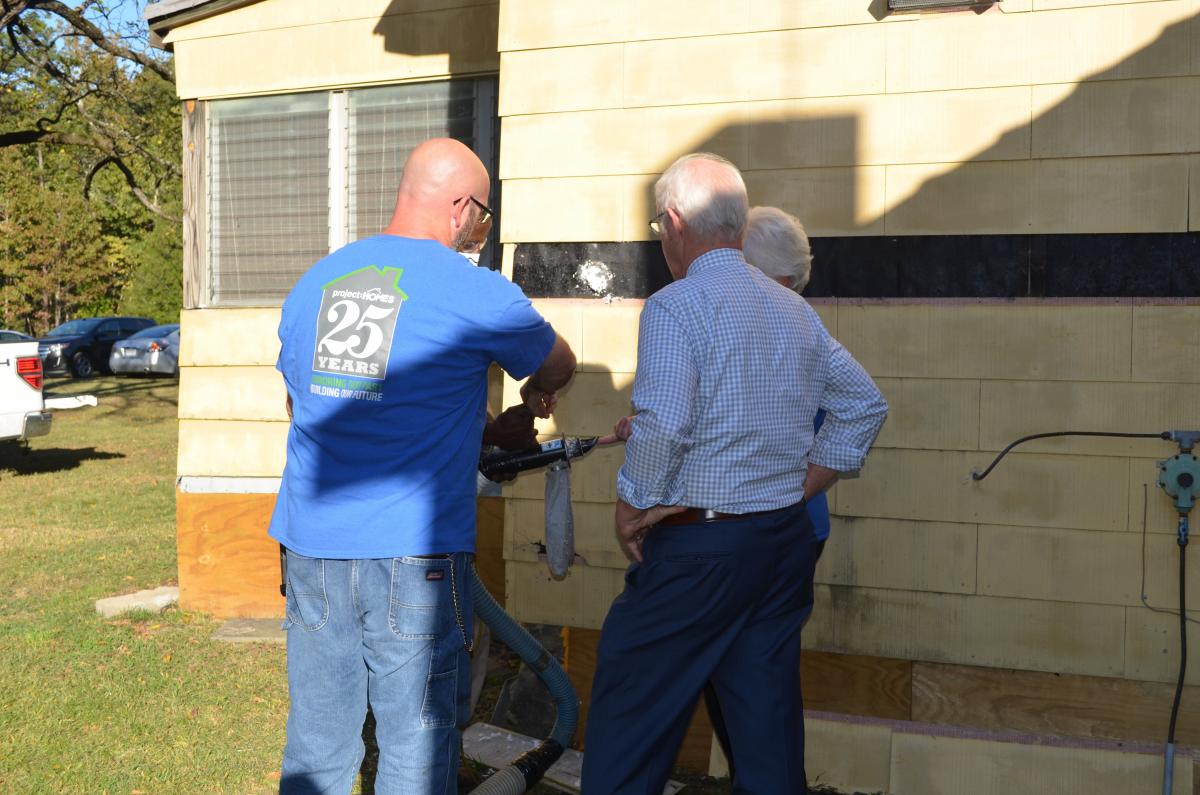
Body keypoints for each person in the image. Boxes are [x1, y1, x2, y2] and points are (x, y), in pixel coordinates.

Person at [270, 137, 576, 795]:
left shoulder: (316, 282)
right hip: (415, 556)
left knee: (317, 744)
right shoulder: (474, 290)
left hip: (312, 546)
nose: (480, 231)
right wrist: (533, 393)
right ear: (462, 208)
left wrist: (479, 425)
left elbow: (309, 405)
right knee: (415, 743)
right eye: (483, 217)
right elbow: (559, 363)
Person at [582, 153, 887, 795]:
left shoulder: (675, 306)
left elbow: (665, 424)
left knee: (630, 725)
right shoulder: (793, 309)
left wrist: (632, 505)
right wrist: (796, 489)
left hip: (700, 552)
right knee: (765, 733)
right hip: (780, 547)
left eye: (657, 227)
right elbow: (864, 405)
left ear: (673, 222)